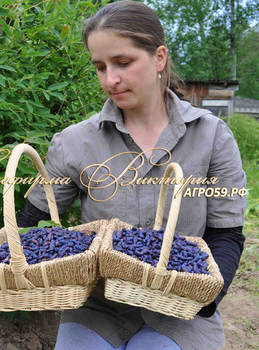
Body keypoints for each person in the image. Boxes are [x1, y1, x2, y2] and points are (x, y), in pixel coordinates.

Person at [17, 1, 246, 349]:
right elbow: (32, 222)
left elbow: (226, 234)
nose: (111, 79)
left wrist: (204, 299)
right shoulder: (75, 142)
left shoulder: (212, 137)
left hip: (179, 310)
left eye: (123, 63)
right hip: (98, 305)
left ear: (159, 57)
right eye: (100, 67)